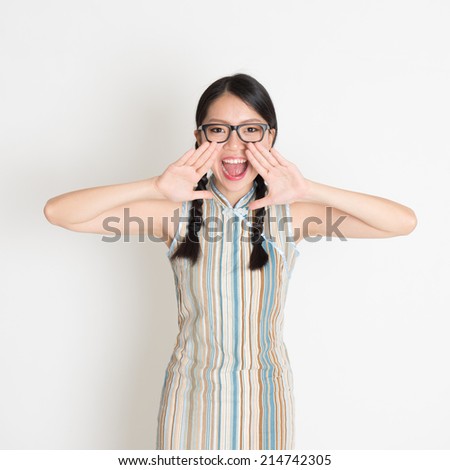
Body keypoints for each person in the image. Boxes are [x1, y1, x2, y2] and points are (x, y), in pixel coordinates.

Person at [43, 73, 417, 450]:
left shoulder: (292, 216)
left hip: (266, 399)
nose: (234, 145)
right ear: (199, 137)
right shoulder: (174, 214)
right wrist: (154, 186)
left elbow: (402, 223)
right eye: (219, 130)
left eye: (251, 130)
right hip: (190, 399)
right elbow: (59, 212)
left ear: (270, 137)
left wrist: (308, 189)